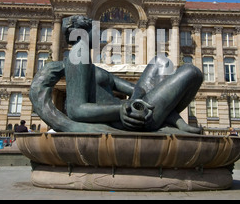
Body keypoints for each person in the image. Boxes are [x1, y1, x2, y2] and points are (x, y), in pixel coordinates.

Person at [58, 15, 203, 134]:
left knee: (161, 61)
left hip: (134, 109)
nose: (98, 33)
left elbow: (137, 89)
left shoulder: (89, 63)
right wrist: (121, 110)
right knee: (192, 72)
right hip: (129, 120)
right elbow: (75, 110)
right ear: (82, 32)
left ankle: (168, 117)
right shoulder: (78, 55)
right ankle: (169, 118)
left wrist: (134, 103)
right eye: (94, 28)